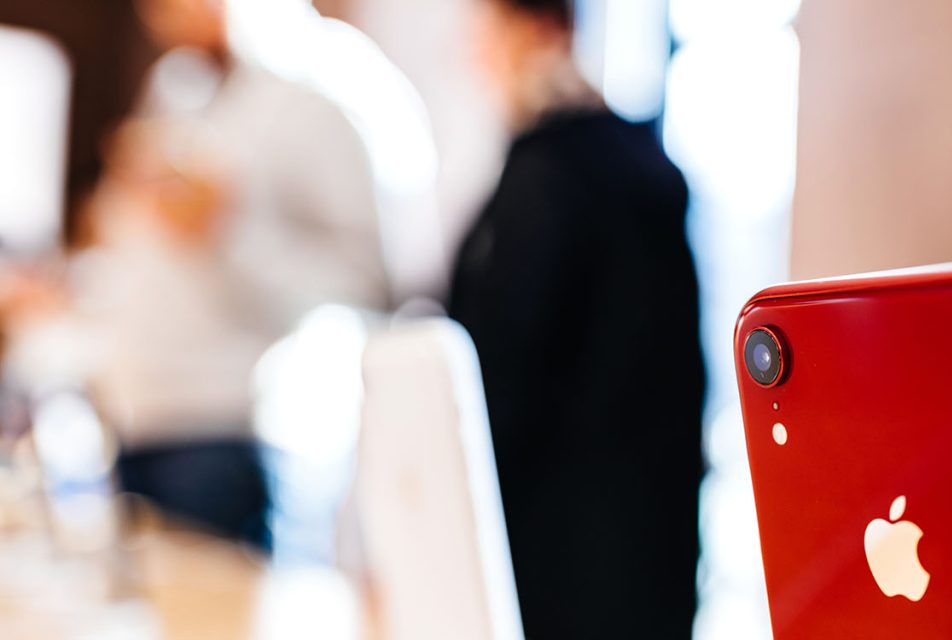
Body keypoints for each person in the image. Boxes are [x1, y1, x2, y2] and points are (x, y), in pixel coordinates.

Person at [75, 0, 391, 549]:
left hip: (232, 430)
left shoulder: (323, 87)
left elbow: (364, 283)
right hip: (136, 415)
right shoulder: (175, 85)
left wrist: (226, 232)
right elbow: (140, 251)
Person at [447, 0, 705, 637]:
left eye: (488, 35)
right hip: (651, 535)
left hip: (562, 547)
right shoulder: (639, 162)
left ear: (538, 32)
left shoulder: (547, 176)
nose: (476, 57)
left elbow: (504, 369)